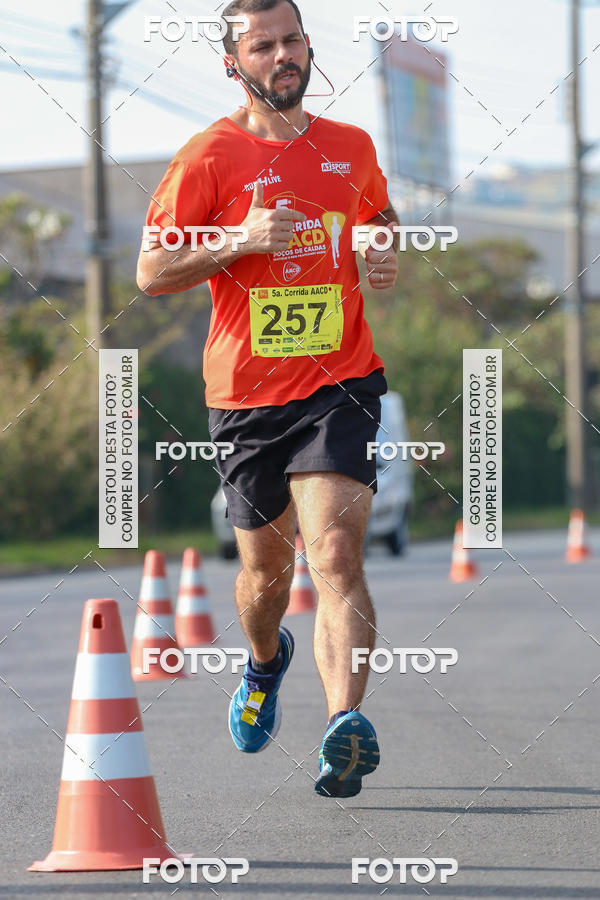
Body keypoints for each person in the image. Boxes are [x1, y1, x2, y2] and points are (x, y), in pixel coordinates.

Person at [137, 0, 399, 798]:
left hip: (340, 382)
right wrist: (241, 240)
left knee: (337, 553)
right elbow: (151, 271)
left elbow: (379, 215)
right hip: (247, 398)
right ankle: (263, 661)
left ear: (309, 48)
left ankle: (343, 724)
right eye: (262, 46)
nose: (282, 56)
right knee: (266, 578)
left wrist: (380, 244)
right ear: (233, 64)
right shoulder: (208, 157)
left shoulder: (350, 146)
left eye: (291, 41)